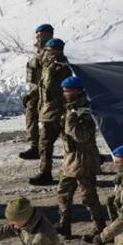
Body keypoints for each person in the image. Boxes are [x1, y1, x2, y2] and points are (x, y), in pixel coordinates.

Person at [56, 76, 106, 239]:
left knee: (88, 197)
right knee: (63, 193)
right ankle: (64, 225)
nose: (65, 94)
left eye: (68, 91)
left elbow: (81, 135)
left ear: (77, 91)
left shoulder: (84, 111)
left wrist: (70, 117)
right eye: (64, 91)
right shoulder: (71, 107)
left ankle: (100, 228)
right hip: (70, 159)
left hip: (84, 159)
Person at [30, 38, 73, 186]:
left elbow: (60, 92)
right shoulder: (49, 65)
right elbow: (43, 87)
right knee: (47, 144)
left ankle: (70, 173)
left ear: (56, 50)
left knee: (56, 143)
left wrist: (63, 112)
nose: (47, 53)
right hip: (49, 111)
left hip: (57, 112)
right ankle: (47, 173)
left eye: (49, 50)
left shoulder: (60, 67)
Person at [19, 24, 54, 160]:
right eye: (37, 35)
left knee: (57, 123)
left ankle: (86, 151)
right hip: (39, 90)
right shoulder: (40, 51)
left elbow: (47, 78)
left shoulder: (49, 52)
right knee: (33, 114)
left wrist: (32, 94)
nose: (38, 38)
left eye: (41, 35)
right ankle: (36, 146)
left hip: (48, 91)